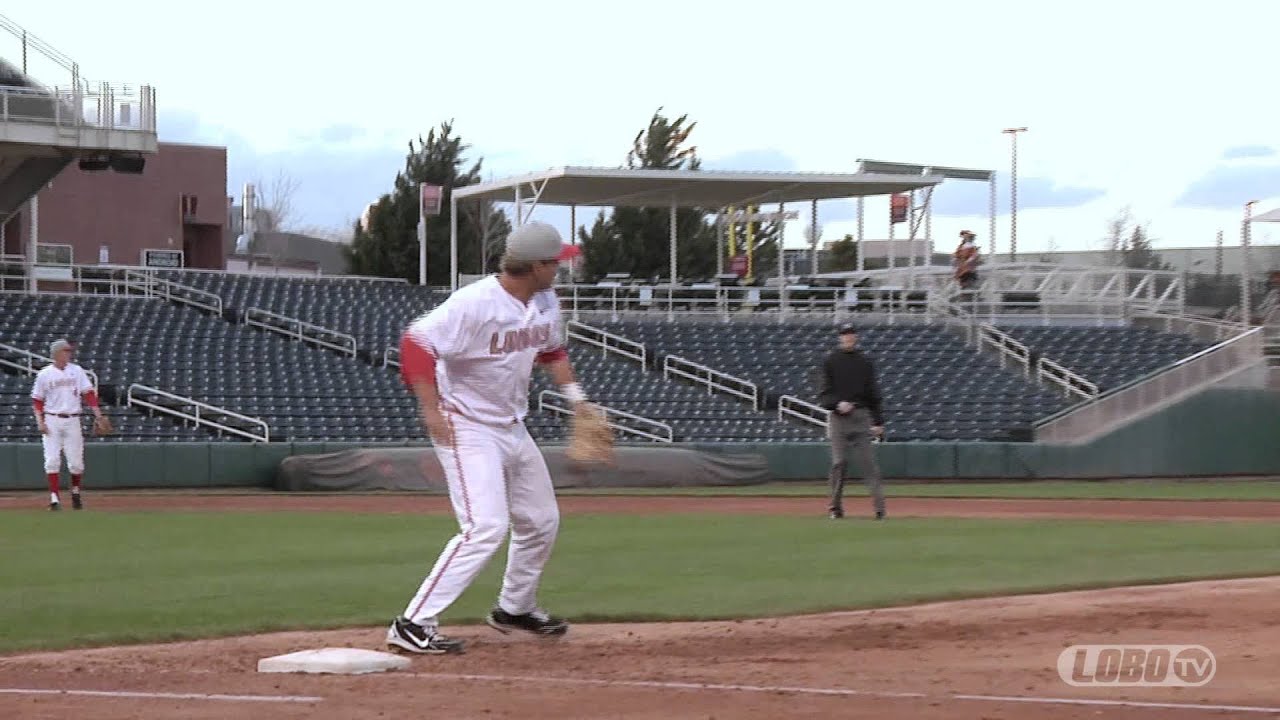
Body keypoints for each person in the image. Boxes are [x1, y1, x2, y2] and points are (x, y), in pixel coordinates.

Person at [387, 221, 587, 655]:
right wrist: (429, 408)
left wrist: (577, 401)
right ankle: (412, 623)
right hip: (466, 425)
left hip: (512, 424)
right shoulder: (474, 303)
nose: (561, 269)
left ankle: (514, 608)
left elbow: (550, 351)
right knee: (485, 527)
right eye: (556, 262)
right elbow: (416, 343)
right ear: (535, 265)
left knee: (541, 519)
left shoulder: (546, 299)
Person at [816, 325, 885, 520]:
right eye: (845, 334)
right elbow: (824, 394)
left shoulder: (865, 362)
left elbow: (874, 393)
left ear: (856, 337)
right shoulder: (830, 361)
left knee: (869, 464)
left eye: (851, 334)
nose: (848, 337)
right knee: (839, 463)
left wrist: (878, 421)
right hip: (839, 418)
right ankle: (835, 508)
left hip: (861, 415)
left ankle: (880, 509)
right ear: (840, 338)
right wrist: (837, 404)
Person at [31, 339, 104, 511]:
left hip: (73, 419)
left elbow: (89, 393)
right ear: (56, 353)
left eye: (69, 350)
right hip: (52, 419)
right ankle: (54, 499)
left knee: (76, 463)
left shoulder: (76, 371)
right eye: (65, 350)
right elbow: (37, 400)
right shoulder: (44, 374)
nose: (69, 353)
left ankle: (76, 492)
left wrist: (98, 415)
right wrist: (40, 421)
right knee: (52, 460)